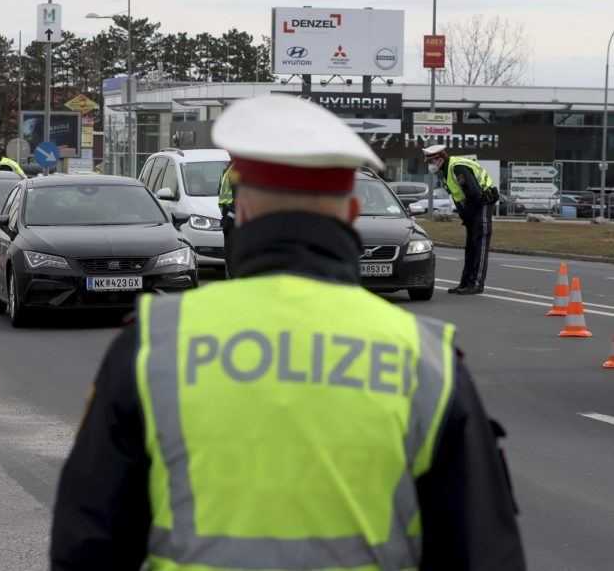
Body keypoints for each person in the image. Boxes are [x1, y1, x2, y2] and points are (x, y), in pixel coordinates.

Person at [50, 95, 526, 571]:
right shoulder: (426, 361)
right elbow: (484, 553)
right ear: (351, 210)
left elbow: (87, 543)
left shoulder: (155, 345)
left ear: (246, 210)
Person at [423, 145, 499, 295]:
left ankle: (476, 284)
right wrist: (466, 217)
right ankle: (465, 283)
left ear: (439, 159)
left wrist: (470, 214)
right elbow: (458, 197)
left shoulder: (457, 167)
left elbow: (474, 193)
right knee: (470, 247)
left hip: (482, 203)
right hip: (473, 207)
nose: (430, 165)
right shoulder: (446, 171)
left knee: (479, 244)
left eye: (431, 162)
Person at [218, 161, 235, 277]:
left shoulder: (237, 169)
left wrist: (231, 214)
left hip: (233, 218)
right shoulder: (228, 168)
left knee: (233, 254)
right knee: (229, 254)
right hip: (227, 215)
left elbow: (240, 194)